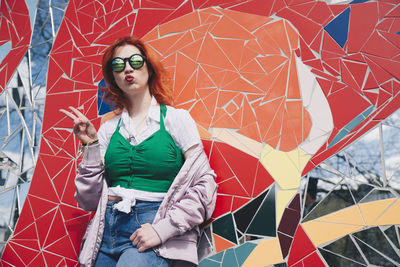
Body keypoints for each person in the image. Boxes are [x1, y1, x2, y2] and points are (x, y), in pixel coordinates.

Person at [60, 36, 217, 267]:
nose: (127, 69)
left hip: (151, 225)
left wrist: (162, 230)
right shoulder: (107, 130)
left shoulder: (176, 119)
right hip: (105, 231)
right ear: (113, 77)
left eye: (135, 60)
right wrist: (90, 146)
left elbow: (205, 184)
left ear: (149, 67)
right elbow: (89, 201)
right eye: (118, 65)